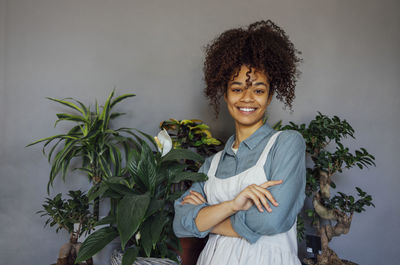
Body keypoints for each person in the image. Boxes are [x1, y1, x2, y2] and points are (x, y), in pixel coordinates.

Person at [173, 20, 306, 265]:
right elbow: (181, 223)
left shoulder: (286, 144)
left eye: (258, 90)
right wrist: (234, 204)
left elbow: (272, 220)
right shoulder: (212, 165)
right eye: (237, 89)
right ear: (224, 95)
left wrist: (207, 221)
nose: (247, 98)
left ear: (269, 96)